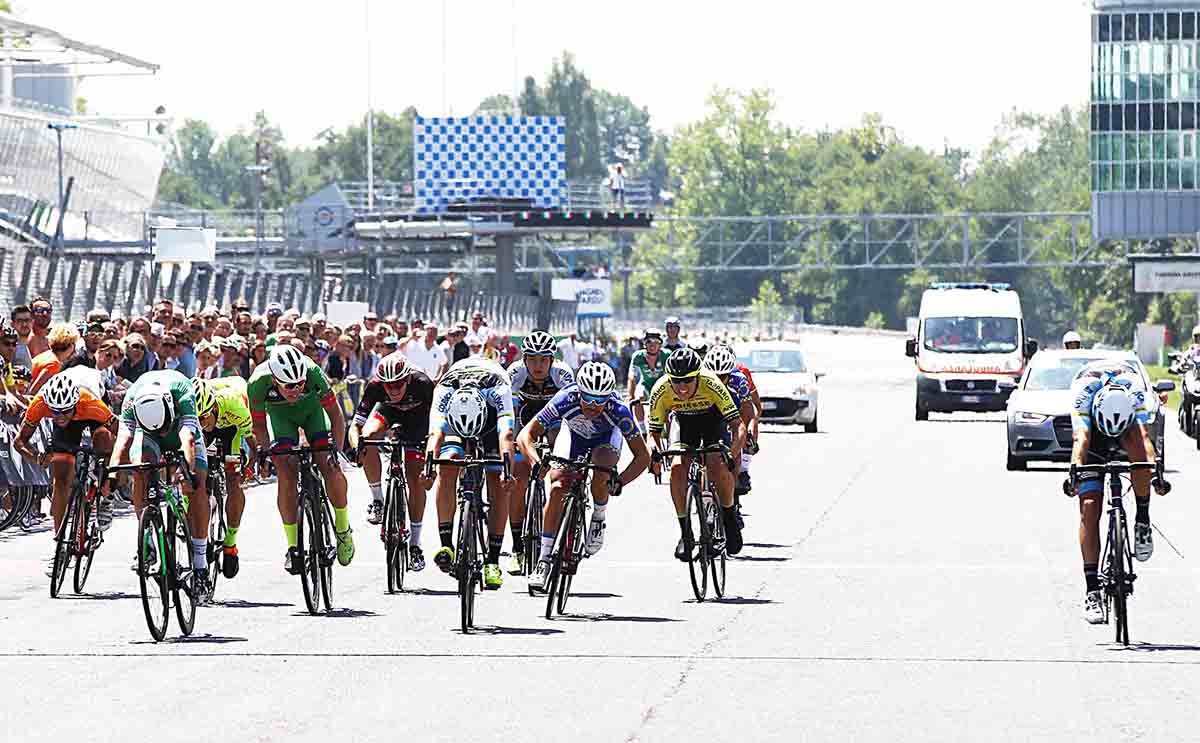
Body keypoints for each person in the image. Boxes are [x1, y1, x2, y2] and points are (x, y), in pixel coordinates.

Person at [517, 362, 651, 592]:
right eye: (587, 398)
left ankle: (598, 517)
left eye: (599, 400)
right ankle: (544, 559)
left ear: (608, 397)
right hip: (573, 435)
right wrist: (536, 462)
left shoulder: (619, 411)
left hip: (605, 440)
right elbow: (525, 435)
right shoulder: (565, 398)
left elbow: (643, 456)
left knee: (602, 471)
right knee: (558, 485)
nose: (592, 405)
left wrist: (620, 481)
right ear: (579, 392)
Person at [1066, 359, 1166, 624]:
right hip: (1093, 435)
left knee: (1140, 453)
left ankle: (1142, 520)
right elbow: (1081, 440)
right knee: (1089, 507)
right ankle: (1092, 590)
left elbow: (1146, 439)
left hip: (1129, 428)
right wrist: (1074, 471)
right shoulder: (1083, 394)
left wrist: (1157, 473)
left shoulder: (1134, 393)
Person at [248, 345, 354, 574]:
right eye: (289, 386)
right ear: (275, 380)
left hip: (314, 415)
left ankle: (343, 528)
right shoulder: (258, 383)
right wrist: (265, 452)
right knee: (286, 473)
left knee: (328, 464)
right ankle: (293, 546)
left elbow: (336, 416)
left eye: (300, 384)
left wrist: (335, 448)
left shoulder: (313, 372)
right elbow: (258, 426)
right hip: (280, 420)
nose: (296, 389)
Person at [108, 369, 212, 601]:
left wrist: (186, 469)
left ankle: (200, 562)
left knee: (197, 484)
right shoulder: (131, 402)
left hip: (180, 430)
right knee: (141, 469)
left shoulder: (183, 393)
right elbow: (122, 442)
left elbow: (188, 437)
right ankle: (148, 543)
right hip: (147, 432)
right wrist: (112, 474)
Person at [424, 356, 516, 590]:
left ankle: (493, 561)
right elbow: (435, 435)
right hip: (457, 416)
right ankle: (447, 544)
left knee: (497, 480)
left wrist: (508, 472)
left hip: (490, 419)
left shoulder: (499, 390)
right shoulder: (444, 390)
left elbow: (506, 436)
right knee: (447, 464)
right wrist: (429, 470)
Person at [647, 348, 746, 559]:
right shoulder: (661, 389)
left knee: (716, 464)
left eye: (688, 380)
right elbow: (653, 432)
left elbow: (738, 425)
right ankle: (685, 533)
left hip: (713, 421)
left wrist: (733, 453)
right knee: (676, 468)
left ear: (698, 376)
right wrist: (654, 453)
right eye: (676, 381)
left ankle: (729, 517)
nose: (681, 387)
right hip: (684, 423)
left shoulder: (711, 383)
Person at [14, 372, 117, 570]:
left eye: (65, 411)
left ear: (74, 404)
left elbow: (122, 436)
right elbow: (19, 442)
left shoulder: (91, 404)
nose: (60, 416)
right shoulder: (40, 403)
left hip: (92, 412)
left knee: (104, 445)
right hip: (69, 421)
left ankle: (105, 496)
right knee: (61, 480)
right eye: (55, 412)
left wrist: (111, 473)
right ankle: (60, 545)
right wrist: (36, 457)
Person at [348, 353, 435, 571]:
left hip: (418, 421)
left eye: (398, 384)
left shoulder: (423, 384)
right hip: (387, 412)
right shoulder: (375, 386)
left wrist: (430, 452)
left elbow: (436, 424)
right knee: (367, 439)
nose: (393, 390)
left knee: (415, 479)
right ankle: (378, 500)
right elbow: (355, 427)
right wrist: (357, 446)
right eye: (389, 386)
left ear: (407, 380)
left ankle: (415, 544)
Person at [505, 330, 575, 574]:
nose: (538, 365)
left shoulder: (563, 375)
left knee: (559, 446)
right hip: (524, 417)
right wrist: (512, 442)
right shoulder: (514, 373)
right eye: (532, 359)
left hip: (554, 419)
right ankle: (517, 548)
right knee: (519, 478)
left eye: (543, 359)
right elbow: (508, 413)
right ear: (524, 360)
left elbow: (570, 416)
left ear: (552, 360)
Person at [192, 376, 257, 580]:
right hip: (209, 427)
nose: (202, 423)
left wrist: (251, 464)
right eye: (197, 419)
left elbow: (252, 443)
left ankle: (230, 544)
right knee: (195, 478)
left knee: (232, 479)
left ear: (212, 409)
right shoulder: (195, 416)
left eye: (204, 418)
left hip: (231, 428)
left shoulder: (235, 406)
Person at [703, 344, 758, 526]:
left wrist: (746, 433)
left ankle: (732, 503)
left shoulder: (739, 380)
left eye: (723, 376)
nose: (719, 380)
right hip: (705, 415)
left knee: (732, 458)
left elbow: (748, 411)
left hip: (730, 417)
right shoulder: (699, 378)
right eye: (715, 377)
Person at [627, 329, 670, 434]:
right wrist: (631, 396)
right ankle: (643, 429)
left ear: (660, 344)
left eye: (656, 342)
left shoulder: (666, 354)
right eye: (649, 341)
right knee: (638, 397)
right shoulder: (638, 356)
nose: (652, 345)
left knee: (668, 409)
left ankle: (671, 435)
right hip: (645, 385)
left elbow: (672, 376)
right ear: (644, 343)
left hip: (662, 386)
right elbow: (631, 377)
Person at [29, 323, 80, 395]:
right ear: (70, 345)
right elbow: (34, 392)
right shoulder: (53, 364)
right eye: (74, 343)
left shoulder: (47, 355)